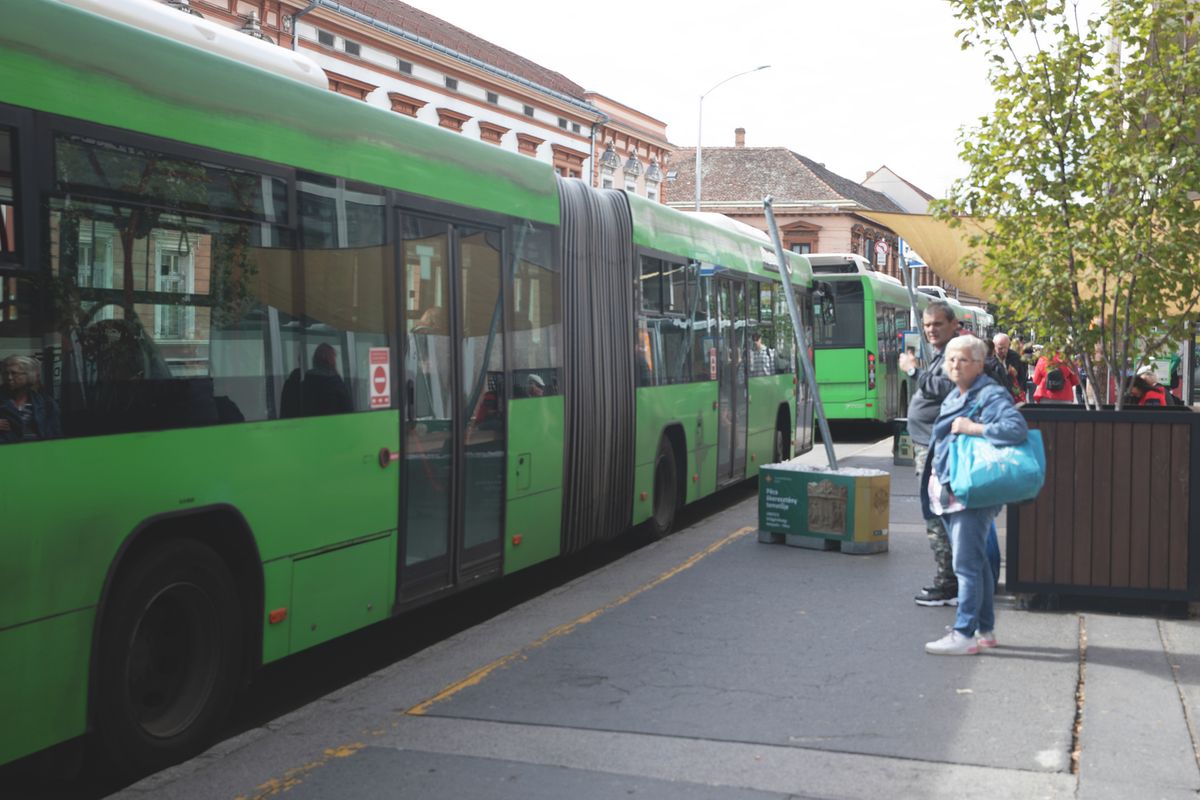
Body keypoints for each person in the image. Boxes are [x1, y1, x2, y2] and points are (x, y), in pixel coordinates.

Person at [925, 335, 1029, 655]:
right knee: (978, 562)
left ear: (980, 364)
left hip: (971, 491)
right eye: (951, 359)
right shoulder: (959, 392)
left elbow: (1016, 428)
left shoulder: (989, 394)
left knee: (966, 565)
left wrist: (974, 428)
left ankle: (964, 633)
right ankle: (984, 629)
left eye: (964, 359)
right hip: (954, 489)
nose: (955, 365)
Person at [897, 300, 959, 607]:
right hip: (929, 443)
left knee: (937, 512)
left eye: (937, 324)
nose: (931, 330)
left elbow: (947, 388)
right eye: (927, 325)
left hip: (936, 446)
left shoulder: (954, 354)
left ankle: (947, 583)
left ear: (953, 325)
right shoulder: (941, 353)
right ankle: (952, 579)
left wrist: (913, 371)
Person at [0, 355, 62, 443]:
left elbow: (55, 434)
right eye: (5, 373)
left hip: (38, 449)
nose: (9, 378)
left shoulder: (46, 403)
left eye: (14, 373)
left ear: (29, 375)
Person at [993, 333, 1027, 399]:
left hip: (1012, 396)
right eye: (1000, 348)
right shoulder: (989, 358)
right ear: (994, 346)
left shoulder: (1015, 357)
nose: (1003, 351)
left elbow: (1022, 378)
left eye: (1006, 348)